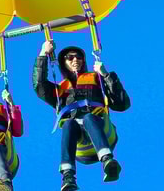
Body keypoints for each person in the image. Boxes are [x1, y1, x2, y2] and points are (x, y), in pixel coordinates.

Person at [33, 41, 130, 190]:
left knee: (88, 118)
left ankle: (108, 161)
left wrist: (106, 75)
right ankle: (68, 177)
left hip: (100, 128)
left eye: (79, 57)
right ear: (63, 62)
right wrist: (43, 53)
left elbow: (122, 103)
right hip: (78, 141)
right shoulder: (60, 90)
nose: (75, 60)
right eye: (70, 57)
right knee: (68, 123)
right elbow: (39, 85)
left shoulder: (97, 79)